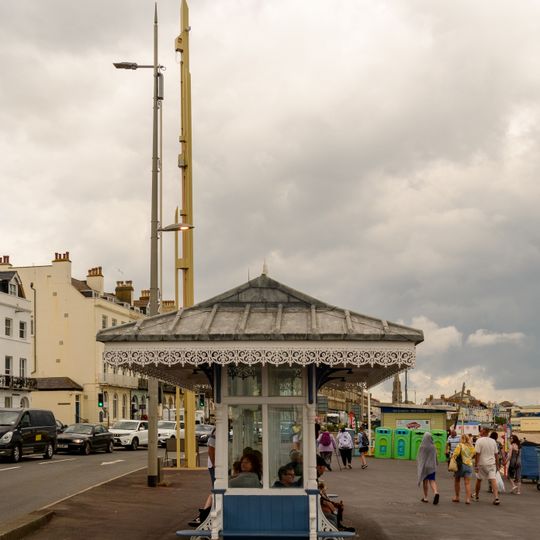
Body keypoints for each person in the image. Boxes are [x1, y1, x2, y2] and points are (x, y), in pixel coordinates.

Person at [316, 455, 355, 533]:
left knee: (336, 508)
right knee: (331, 515)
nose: (324, 470)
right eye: (324, 467)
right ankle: (334, 532)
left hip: (317, 502)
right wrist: (326, 502)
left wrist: (328, 501)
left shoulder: (315, 478)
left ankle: (338, 526)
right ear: (318, 467)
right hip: (314, 506)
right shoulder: (312, 478)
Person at [474, 426, 500, 505]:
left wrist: (476, 465)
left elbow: (477, 454)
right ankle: (496, 497)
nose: (480, 432)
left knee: (479, 480)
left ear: (484, 432)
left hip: (482, 464)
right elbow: (496, 454)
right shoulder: (493, 441)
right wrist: (497, 465)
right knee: (493, 480)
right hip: (491, 464)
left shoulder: (479, 441)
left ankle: (477, 496)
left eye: (481, 431)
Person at [451, 434, 476, 504]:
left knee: (457, 481)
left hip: (460, 466)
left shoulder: (460, 445)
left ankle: (457, 497)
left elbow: (455, 455)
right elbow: (474, 453)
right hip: (469, 465)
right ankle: (468, 499)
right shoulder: (471, 446)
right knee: (467, 483)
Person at [417, 432, 440, 505]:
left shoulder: (422, 446)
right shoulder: (433, 446)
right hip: (431, 466)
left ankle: (425, 497)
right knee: (432, 481)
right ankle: (436, 492)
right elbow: (435, 456)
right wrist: (436, 463)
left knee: (425, 481)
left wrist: (419, 465)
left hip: (424, 466)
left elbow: (419, 457)